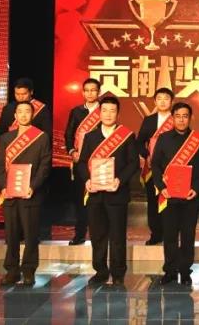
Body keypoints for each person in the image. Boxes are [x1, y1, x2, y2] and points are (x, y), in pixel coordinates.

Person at [79, 96, 139, 287]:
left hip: (117, 194)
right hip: (95, 194)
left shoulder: (127, 135)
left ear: (117, 113)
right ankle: (100, 271)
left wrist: (119, 180)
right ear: (99, 113)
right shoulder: (90, 137)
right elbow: (82, 162)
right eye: (104, 110)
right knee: (97, 235)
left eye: (112, 111)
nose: (108, 114)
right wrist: (87, 180)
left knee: (117, 236)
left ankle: (118, 273)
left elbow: (133, 163)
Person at [151, 102, 199, 286]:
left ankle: (185, 272)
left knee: (187, 236)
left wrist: (196, 189)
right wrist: (161, 187)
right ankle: (170, 271)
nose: (182, 120)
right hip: (168, 196)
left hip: (190, 197)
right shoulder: (163, 138)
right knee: (169, 236)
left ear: (190, 118)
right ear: (172, 118)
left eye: (185, 116)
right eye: (178, 116)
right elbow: (155, 165)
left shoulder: (198, 140)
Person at [0, 100, 52, 287]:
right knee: (11, 234)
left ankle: (29, 271)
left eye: (27, 111)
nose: (23, 115)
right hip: (10, 193)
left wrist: (33, 186)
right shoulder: (6, 138)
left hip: (31, 193)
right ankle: (11, 271)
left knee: (30, 234)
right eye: (20, 111)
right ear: (15, 116)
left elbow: (45, 165)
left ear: (32, 115)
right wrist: (3, 186)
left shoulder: (41, 137)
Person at [63, 78, 101, 246]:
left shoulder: (105, 110)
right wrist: (72, 151)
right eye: (87, 90)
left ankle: (99, 235)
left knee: (98, 199)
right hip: (81, 161)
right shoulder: (77, 111)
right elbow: (68, 134)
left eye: (93, 90)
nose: (90, 93)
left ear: (99, 92)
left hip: (100, 161)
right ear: (83, 92)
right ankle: (79, 235)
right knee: (80, 199)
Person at [137, 88, 175, 246]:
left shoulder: (177, 118)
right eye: (159, 98)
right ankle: (156, 234)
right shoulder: (149, 120)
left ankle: (170, 234)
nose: (163, 101)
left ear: (171, 101)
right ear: (155, 101)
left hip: (172, 169)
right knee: (153, 202)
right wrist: (147, 155)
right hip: (152, 168)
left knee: (171, 201)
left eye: (166, 98)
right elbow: (139, 142)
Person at [0, 78, 52, 144]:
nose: (20, 97)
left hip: (34, 147)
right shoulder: (8, 109)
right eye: (17, 94)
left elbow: (47, 134)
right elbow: (0, 133)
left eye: (24, 94)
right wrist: (6, 147)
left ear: (31, 92)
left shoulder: (41, 109)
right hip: (11, 148)